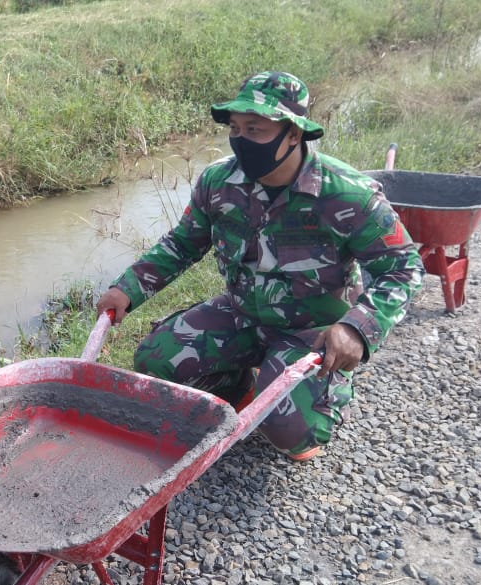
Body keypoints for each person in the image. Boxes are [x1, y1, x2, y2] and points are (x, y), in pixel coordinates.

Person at [96, 71, 424, 462]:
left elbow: (403, 267)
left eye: (255, 128)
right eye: (235, 128)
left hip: (312, 332)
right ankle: (238, 384)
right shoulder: (219, 182)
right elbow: (183, 242)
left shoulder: (348, 195)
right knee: (154, 359)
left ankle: (319, 394)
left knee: (294, 437)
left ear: (293, 134)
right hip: (241, 314)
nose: (240, 140)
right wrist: (128, 288)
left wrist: (357, 328)